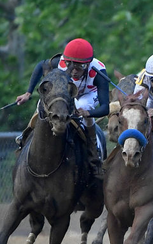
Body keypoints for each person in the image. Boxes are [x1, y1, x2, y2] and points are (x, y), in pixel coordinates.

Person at [14, 38, 109, 183]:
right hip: (67, 92)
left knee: (82, 106)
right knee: (43, 103)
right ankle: (26, 136)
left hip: (88, 94)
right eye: (71, 66)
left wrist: (88, 113)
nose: (75, 71)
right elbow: (40, 66)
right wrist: (28, 93)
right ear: (66, 61)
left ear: (88, 64)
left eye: (81, 67)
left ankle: (93, 154)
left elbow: (105, 108)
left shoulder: (99, 71)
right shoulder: (59, 62)